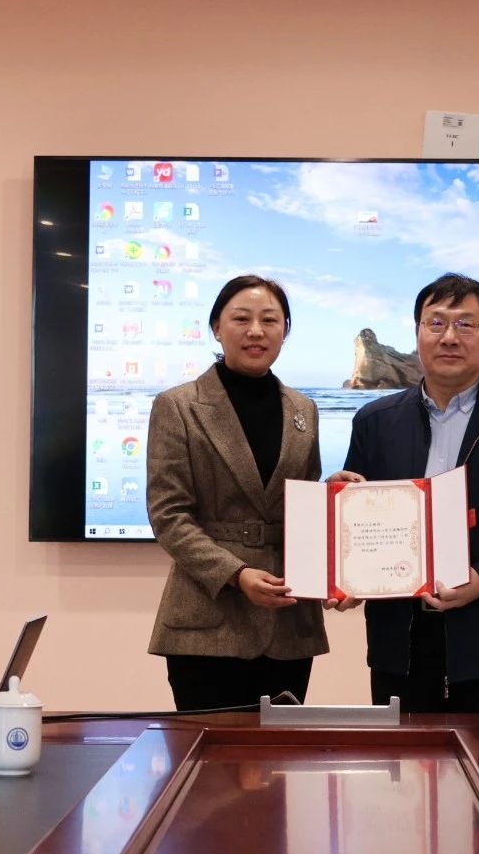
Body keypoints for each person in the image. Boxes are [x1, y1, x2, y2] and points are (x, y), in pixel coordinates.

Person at [331, 274, 479, 713]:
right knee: (402, 756)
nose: (449, 337)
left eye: (465, 324)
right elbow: (358, 516)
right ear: (418, 333)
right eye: (436, 323)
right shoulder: (375, 421)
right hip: (399, 641)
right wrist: (341, 541)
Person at [146, 275, 328, 710]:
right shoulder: (178, 405)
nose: (256, 331)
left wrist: (333, 499)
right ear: (216, 327)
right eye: (241, 319)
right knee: (208, 750)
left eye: (270, 320)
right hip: (206, 621)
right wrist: (236, 573)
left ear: (285, 329)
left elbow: (301, 506)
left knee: (280, 751)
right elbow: (169, 514)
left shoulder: (303, 409)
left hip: (288, 620)